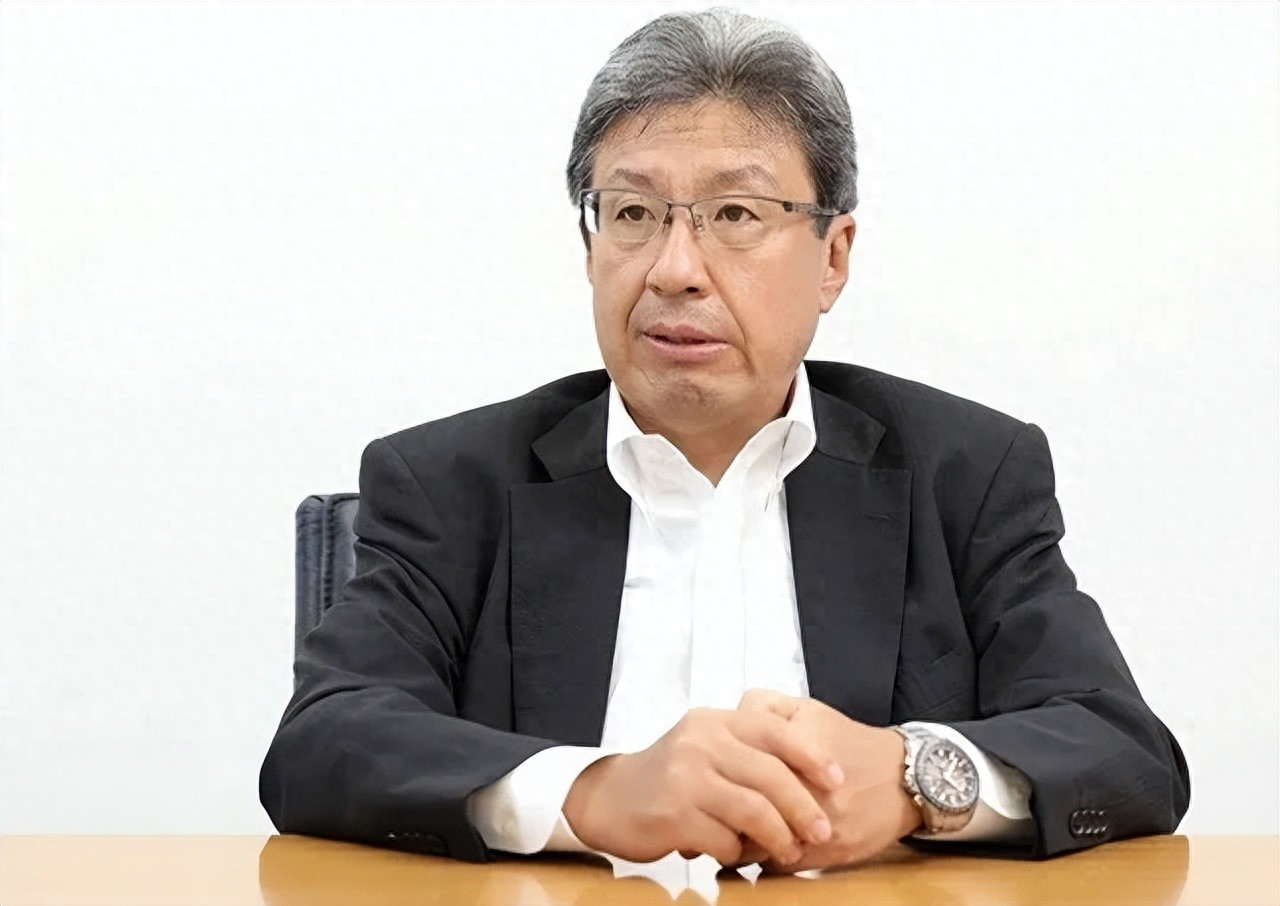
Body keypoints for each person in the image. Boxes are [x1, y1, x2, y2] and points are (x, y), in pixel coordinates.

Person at [260, 8, 1189, 875]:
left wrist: (916, 778)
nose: (675, 269)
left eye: (736, 215)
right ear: (590, 248)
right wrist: (592, 793)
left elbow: (1123, 750)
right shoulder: (446, 486)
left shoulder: (966, 477)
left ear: (833, 257)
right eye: (632, 213)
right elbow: (322, 743)